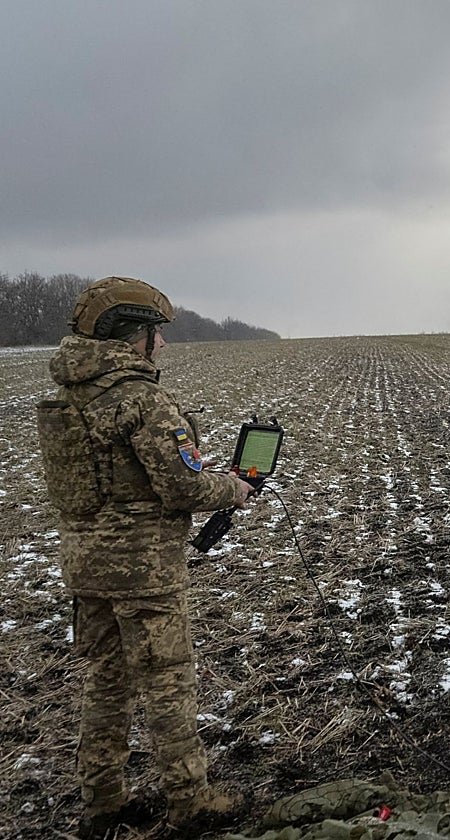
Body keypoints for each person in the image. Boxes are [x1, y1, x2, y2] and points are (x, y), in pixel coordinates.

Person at [37, 277, 256, 837]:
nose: (161, 345)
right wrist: (230, 488)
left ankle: (102, 800)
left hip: (85, 566)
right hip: (144, 570)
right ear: (137, 337)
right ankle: (190, 801)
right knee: (167, 681)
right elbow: (182, 489)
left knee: (106, 680)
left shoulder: (67, 395)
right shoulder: (141, 398)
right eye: (156, 333)